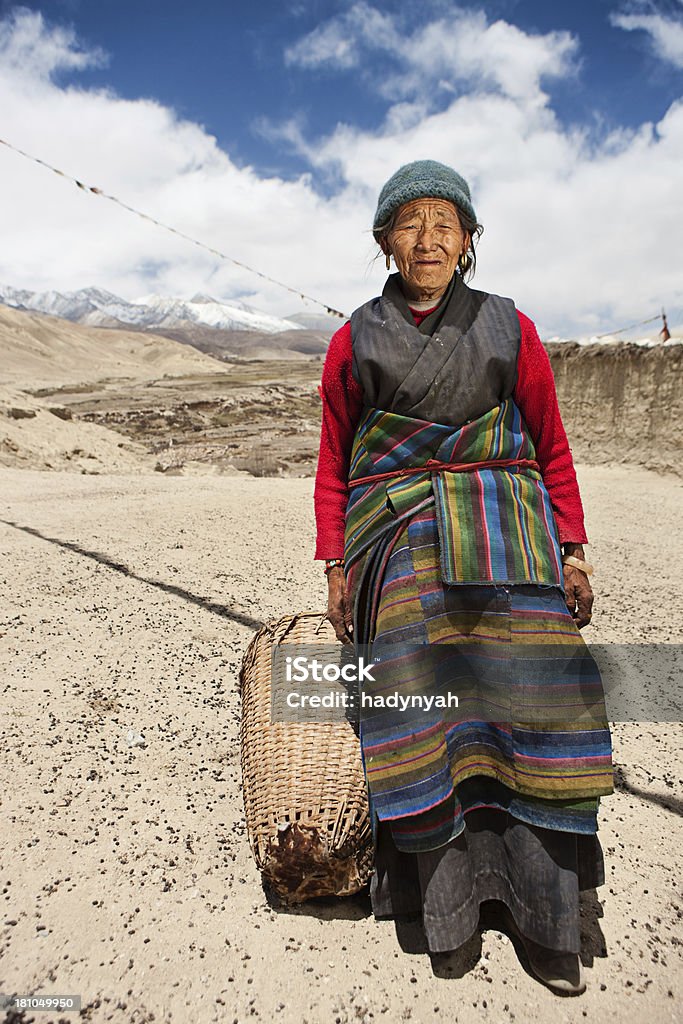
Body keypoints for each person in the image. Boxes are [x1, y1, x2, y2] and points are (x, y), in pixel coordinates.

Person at [314, 160, 613, 996]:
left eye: (445, 224)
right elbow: (335, 464)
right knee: (422, 716)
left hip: (511, 537)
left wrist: (573, 549)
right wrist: (336, 563)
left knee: (540, 710)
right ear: (384, 242)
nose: (428, 239)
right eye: (409, 224)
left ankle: (548, 920)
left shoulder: (508, 329)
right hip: (398, 539)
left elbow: (549, 446)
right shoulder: (354, 338)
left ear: (469, 242)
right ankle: (442, 914)